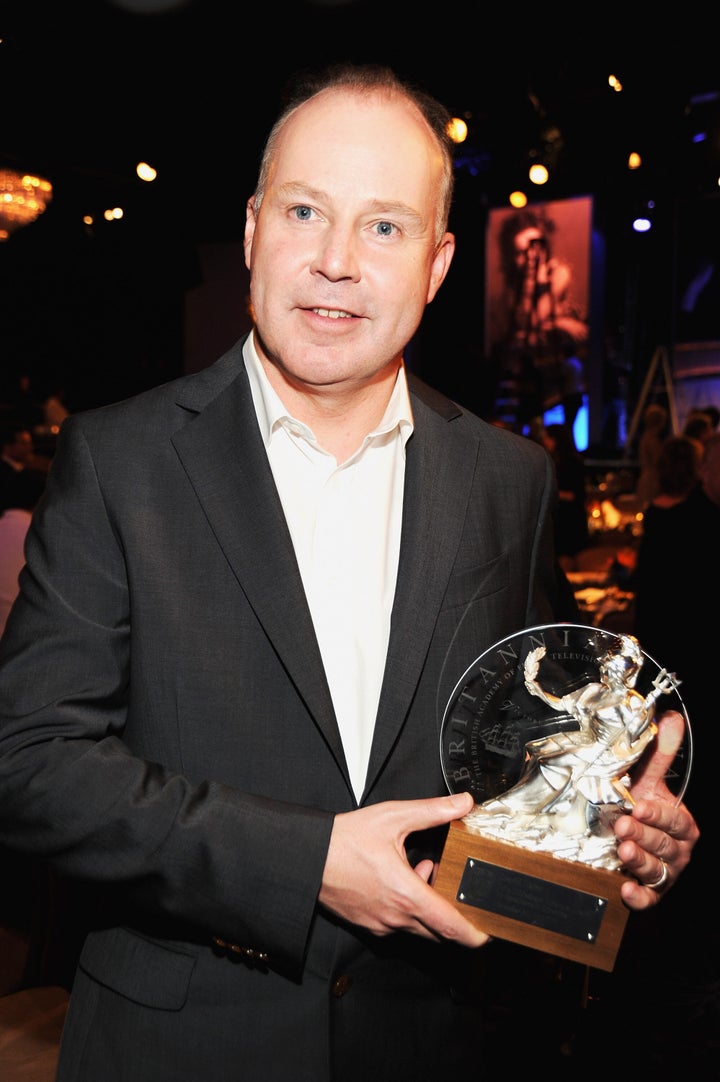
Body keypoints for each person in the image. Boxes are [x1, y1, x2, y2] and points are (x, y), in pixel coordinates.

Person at [0, 63, 698, 1082]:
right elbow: (28, 761)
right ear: (250, 231)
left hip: (439, 1038)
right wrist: (305, 862)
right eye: (304, 211)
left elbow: (511, 755)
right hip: (183, 1044)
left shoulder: (507, 479)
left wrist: (614, 826)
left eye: (384, 226)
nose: (335, 260)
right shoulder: (122, 460)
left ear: (439, 261)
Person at [466, 635, 680, 869]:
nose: (609, 672)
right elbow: (560, 704)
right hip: (585, 741)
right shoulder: (593, 692)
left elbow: (637, 740)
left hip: (607, 754)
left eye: (616, 669)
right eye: (608, 667)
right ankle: (522, 810)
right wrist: (533, 683)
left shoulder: (637, 706)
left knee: (553, 762)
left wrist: (625, 755)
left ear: (629, 673)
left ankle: (537, 813)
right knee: (536, 750)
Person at [634, 401, 668, 510]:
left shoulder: (646, 437)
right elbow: (657, 460)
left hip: (647, 478)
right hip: (652, 481)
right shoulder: (651, 439)